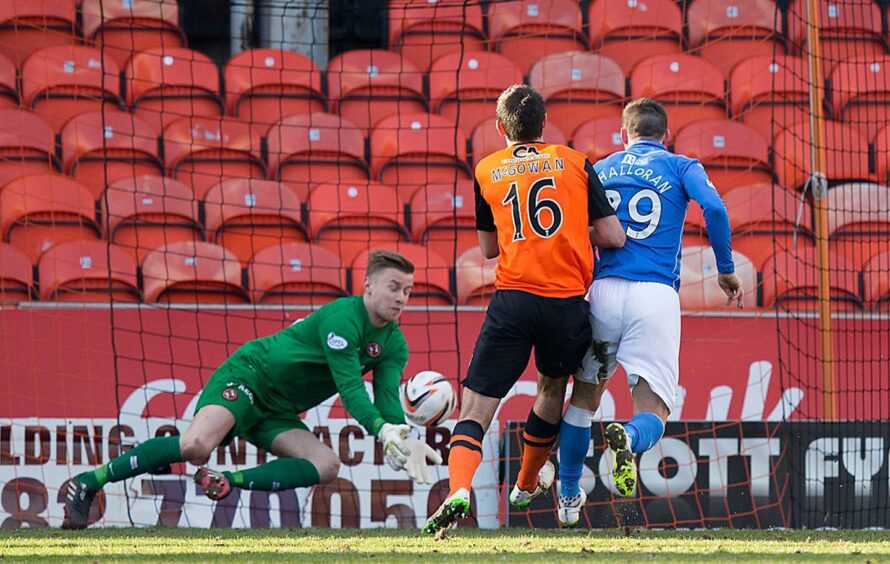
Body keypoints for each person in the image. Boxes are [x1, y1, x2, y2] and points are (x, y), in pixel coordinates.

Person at [64, 249, 442, 529]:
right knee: (196, 446)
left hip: (279, 410)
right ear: (369, 286)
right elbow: (350, 390)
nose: (401, 298)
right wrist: (381, 430)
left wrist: (400, 434)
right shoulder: (344, 320)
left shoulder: (394, 343)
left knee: (327, 465)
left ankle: (229, 482)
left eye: (407, 291)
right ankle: (88, 482)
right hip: (250, 375)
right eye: (394, 287)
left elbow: (388, 397)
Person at [422, 84, 626, 537]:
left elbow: (489, 247)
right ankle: (528, 481)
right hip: (565, 302)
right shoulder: (574, 162)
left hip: (513, 299)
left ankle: (458, 490)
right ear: (545, 126)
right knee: (552, 389)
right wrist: (573, 231)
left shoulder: (486, 169)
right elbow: (613, 236)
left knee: (475, 408)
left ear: (500, 128)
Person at [556, 98, 744, 527]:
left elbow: (571, 225)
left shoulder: (600, 168)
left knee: (583, 401)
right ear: (667, 133)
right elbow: (714, 209)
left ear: (623, 135)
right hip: (655, 295)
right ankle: (630, 436)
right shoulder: (682, 165)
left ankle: (568, 496)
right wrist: (726, 270)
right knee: (655, 409)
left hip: (603, 291)